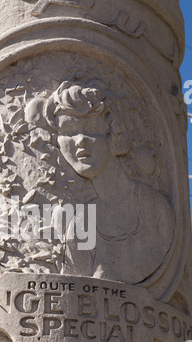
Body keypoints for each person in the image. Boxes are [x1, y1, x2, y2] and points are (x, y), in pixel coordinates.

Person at [26, 80, 175, 284]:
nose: (80, 141)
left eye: (91, 128)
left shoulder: (157, 210)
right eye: (68, 131)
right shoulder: (80, 224)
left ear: (115, 133)